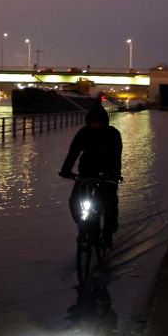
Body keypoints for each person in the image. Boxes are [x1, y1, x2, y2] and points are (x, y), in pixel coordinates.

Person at [59, 104, 122, 246]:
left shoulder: (113, 134)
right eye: (94, 122)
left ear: (105, 122)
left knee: (109, 203)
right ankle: (85, 226)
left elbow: (116, 156)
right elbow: (73, 152)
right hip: (86, 173)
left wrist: (114, 174)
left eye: (100, 122)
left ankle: (108, 231)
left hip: (107, 174)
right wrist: (66, 170)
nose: (96, 125)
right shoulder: (84, 133)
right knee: (74, 202)